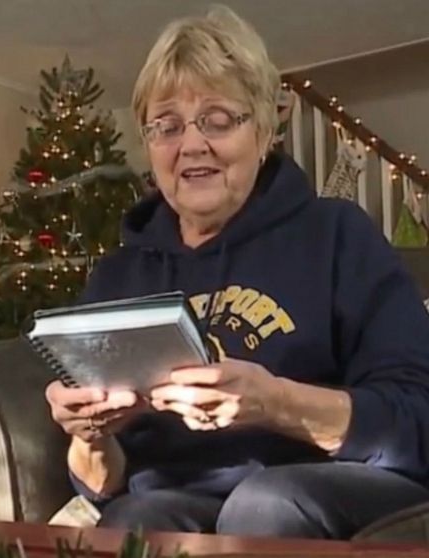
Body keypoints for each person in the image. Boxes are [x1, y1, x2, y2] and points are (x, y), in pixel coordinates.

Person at [45, 5, 429, 540]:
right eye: (168, 125)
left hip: (326, 484)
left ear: (265, 129)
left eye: (218, 119)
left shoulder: (338, 236)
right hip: (173, 496)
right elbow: (104, 485)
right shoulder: (118, 278)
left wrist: (278, 404)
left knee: (264, 504)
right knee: (135, 521)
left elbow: (417, 420)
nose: (192, 144)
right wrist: (89, 437)